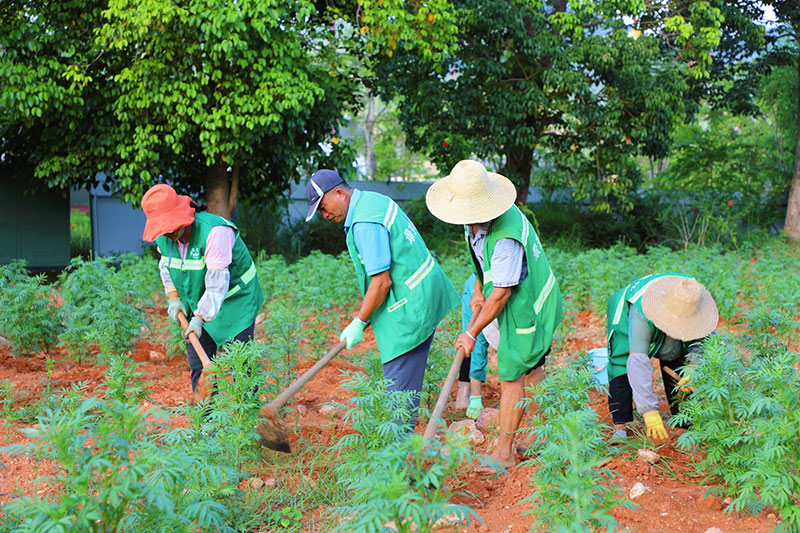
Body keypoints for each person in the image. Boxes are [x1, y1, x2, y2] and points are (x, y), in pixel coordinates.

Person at [426, 160, 563, 467]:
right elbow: (482, 262)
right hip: (512, 297)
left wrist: (471, 332)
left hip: (526, 306)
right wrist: (477, 288)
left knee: (512, 374)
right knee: (533, 370)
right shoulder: (472, 222)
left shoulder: (506, 237)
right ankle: (548, 433)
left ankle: (505, 452)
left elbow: (500, 294)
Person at [305, 169, 460, 430]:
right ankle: (401, 448)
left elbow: (381, 282)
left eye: (323, 207)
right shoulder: (371, 200)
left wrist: (359, 320)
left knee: (398, 390)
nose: (324, 215)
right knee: (404, 384)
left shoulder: (364, 222)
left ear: (340, 193)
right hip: (422, 292)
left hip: (409, 308)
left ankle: (400, 460)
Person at [141, 184, 263, 396]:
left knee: (241, 364)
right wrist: (173, 297)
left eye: (171, 226)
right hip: (198, 298)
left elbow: (217, 284)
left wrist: (199, 319)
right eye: (164, 228)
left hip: (236, 300)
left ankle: (248, 417)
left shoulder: (215, 232)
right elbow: (166, 267)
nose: (169, 232)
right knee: (199, 363)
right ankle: (207, 423)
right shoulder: (164, 237)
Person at [606, 273, 718, 440]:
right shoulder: (641, 313)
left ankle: (684, 420)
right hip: (628, 310)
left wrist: (694, 366)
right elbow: (638, 360)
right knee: (621, 366)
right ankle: (621, 427)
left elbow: (704, 340)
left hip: (677, 305)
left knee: (675, 354)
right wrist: (648, 409)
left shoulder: (694, 297)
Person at [456, 273, 499, 420]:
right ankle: (464, 393)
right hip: (475, 296)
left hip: (497, 292)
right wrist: (476, 397)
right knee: (469, 341)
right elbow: (478, 348)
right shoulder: (483, 303)